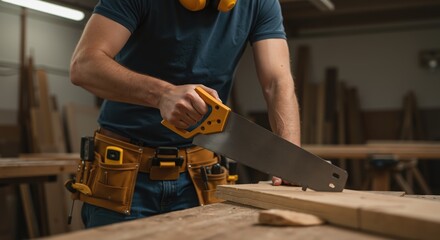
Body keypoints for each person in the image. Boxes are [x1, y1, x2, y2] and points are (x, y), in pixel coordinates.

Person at [70, 0, 300, 228]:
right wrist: (162, 94)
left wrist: (290, 158)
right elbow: (84, 65)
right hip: (123, 174)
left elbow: (276, 81)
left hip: (201, 176)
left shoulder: (261, 3)